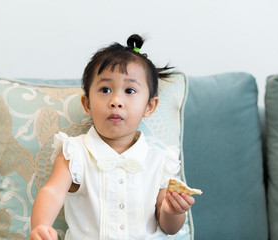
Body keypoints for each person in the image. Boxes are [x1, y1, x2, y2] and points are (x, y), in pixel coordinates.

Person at [29, 34, 195, 240]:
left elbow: (169, 227)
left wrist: (173, 211)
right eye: (105, 89)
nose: (116, 100)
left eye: (130, 90)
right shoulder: (74, 153)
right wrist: (40, 226)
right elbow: (52, 192)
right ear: (87, 103)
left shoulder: (160, 161)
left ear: (149, 106)